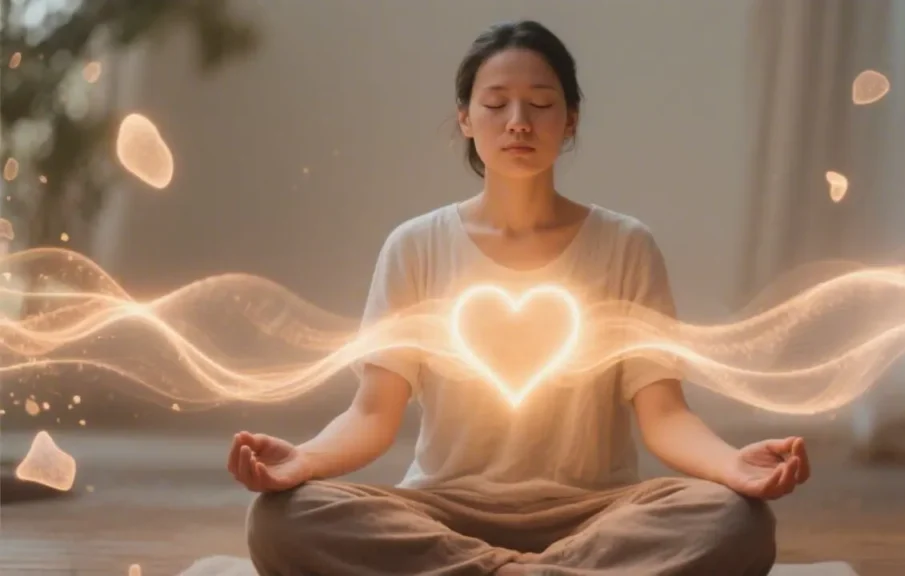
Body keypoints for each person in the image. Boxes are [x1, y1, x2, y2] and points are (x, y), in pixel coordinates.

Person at [232, 20, 810, 576]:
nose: (518, 123)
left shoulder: (625, 245)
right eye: (495, 103)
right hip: (445, 510)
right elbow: (372, 414)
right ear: (464, 118)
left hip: (597, 514)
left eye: (540, 104)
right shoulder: (415, 246)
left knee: (736, 521)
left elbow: (664, 416)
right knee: (281, 520)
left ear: (571, 121)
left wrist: (732, 465)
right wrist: (303, 460)